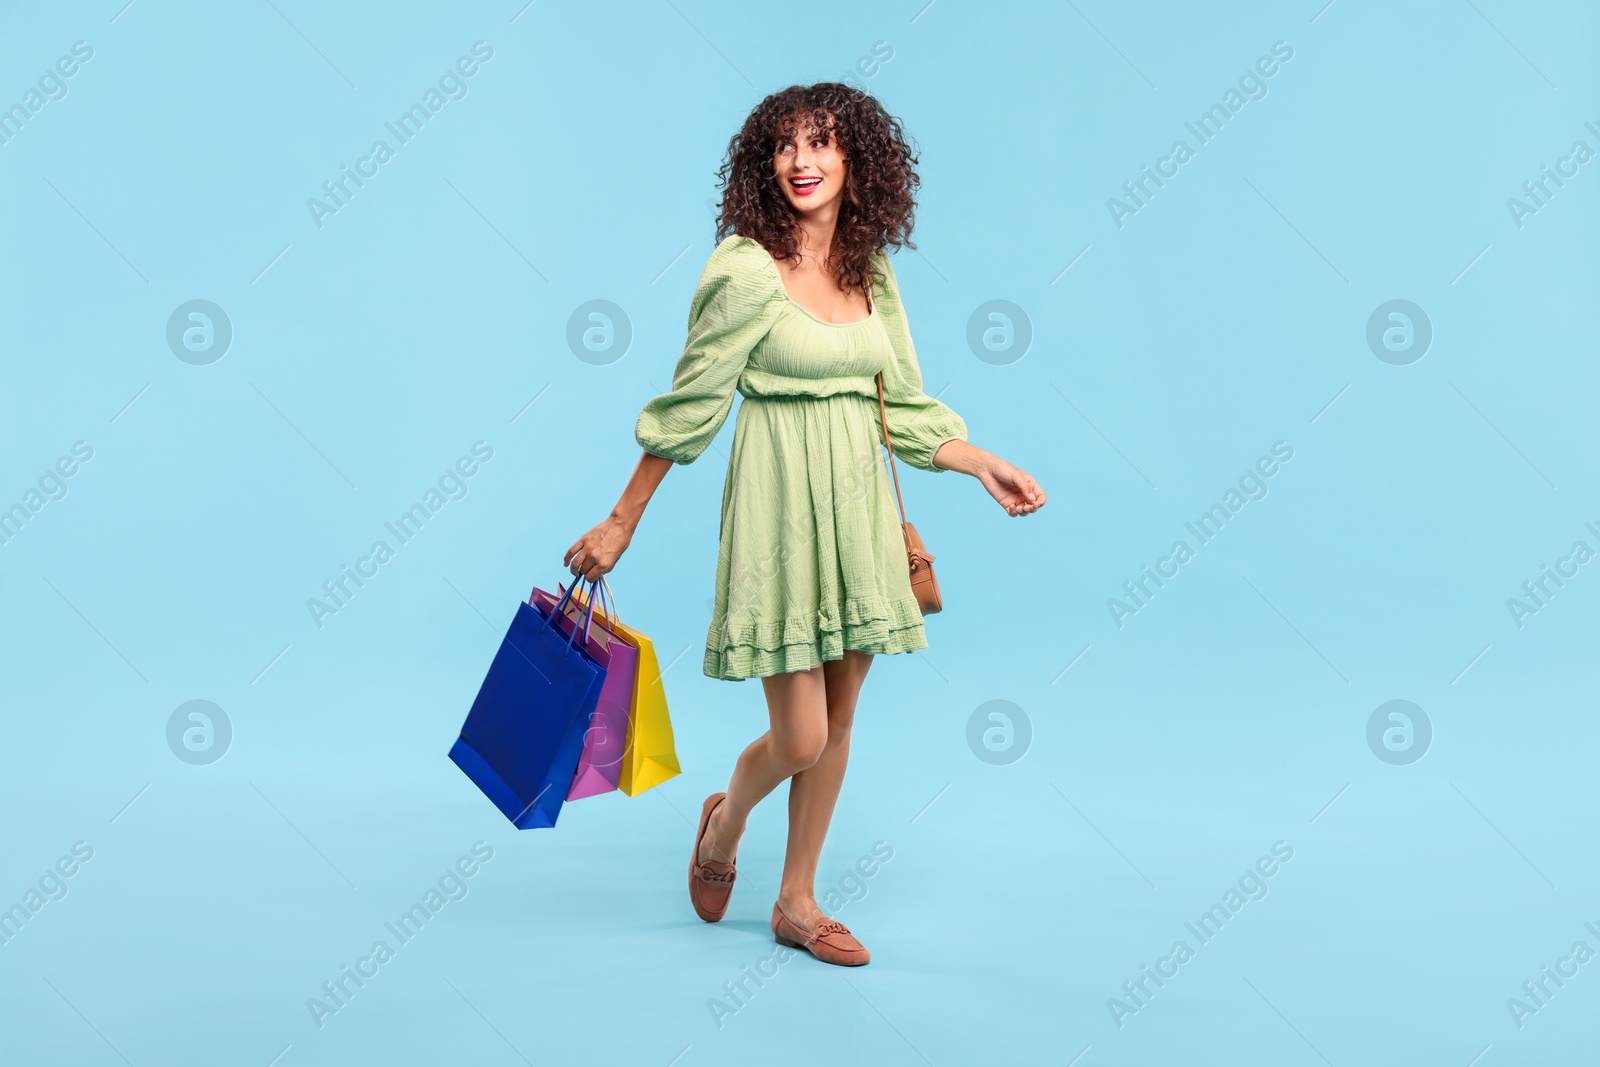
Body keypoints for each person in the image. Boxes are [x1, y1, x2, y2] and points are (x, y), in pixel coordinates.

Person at [564, 83, 1045, 966]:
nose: (802, 160)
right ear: (765, 161)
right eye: (786, 145)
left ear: (857, 159)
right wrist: (619, 521)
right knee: (801, 734)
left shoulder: (870, 268)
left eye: (821, 143)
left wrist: (982, 463)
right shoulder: (746, 270)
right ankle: (724, 824)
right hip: (779, 509)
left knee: (844, 710)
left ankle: (796, 900)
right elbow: (691, 404)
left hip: (858, 507)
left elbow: (900, 401)